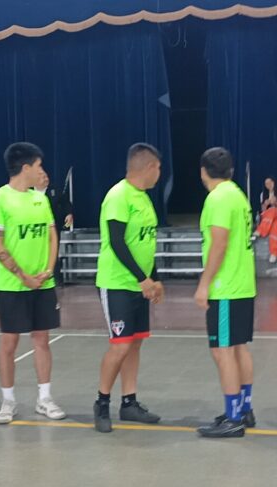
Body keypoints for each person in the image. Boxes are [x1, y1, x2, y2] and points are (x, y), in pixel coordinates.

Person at [0, 142, 66, 424]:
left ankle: (45, 398)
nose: (42, 171)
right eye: (39, 165)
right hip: (12, 286)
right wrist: (23, 276)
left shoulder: (40, 200)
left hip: (43, 284)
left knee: (42, 339)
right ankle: (8, 401)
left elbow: (52, 235)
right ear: (26, 167)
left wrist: (48, 270)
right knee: (9, 342)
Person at [93, 143, 165, 433]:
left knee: (135, 342)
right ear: (149, 167)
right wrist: (141, 278)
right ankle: (102, 402)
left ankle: (129, 402)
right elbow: (117, 242)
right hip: (117, 283)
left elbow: (146, 243)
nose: (160, 173)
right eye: (158, 168)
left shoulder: (144, 198)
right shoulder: (118, 195)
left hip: (138, 284)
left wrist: (154, 279)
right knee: (120, 344)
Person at [194, 147, 256, 438]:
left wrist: (204, 284)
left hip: (226, 287)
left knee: (222, 351)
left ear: (203, 171)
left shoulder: (218, 198)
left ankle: (233, 419)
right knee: (238, 347)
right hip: (243, 284)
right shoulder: (237, 195)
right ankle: (244, 408)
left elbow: (219, 244)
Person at [254, 176, 277, 263]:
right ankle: (274, 253)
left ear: (274, 182)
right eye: (266, 184)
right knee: (273, 218)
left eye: (270, 183)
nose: (268, 185)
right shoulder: (263, 194)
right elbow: (263, 211)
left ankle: (260, 230)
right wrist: (265, 204)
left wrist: (276, 202)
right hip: (268, 217)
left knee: (274, 213)